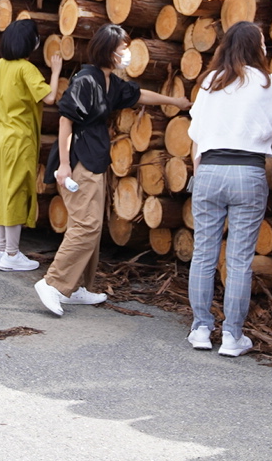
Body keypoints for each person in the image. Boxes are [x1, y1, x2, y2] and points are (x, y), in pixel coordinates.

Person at [37, 24, 190, 317]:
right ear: (108, 50)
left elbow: (139, 95)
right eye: (123, 49)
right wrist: (65, 166)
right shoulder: (86, 80)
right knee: (85, 225)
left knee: (92, 227)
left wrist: (173, 101)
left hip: (95, 160)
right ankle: (52, 284)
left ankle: (76, 287)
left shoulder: (109, 81)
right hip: (79, 160)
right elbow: (66, 120)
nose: (127, 53)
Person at [185, 21, 272, 357]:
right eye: (262, 42)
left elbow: (196, 134)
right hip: (248, 171)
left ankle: (201, 328)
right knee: (238, 259)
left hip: (209, 169)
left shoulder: (210, 82)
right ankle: (232, 336)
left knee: (203, 253)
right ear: (256, 47)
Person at [0, 18, 64, 272]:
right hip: (18, 140)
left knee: (1, 191)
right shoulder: (25, 68)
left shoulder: (0, 65)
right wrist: (55, 71)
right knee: (16, 193)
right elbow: (49, 97)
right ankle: (12, 253)